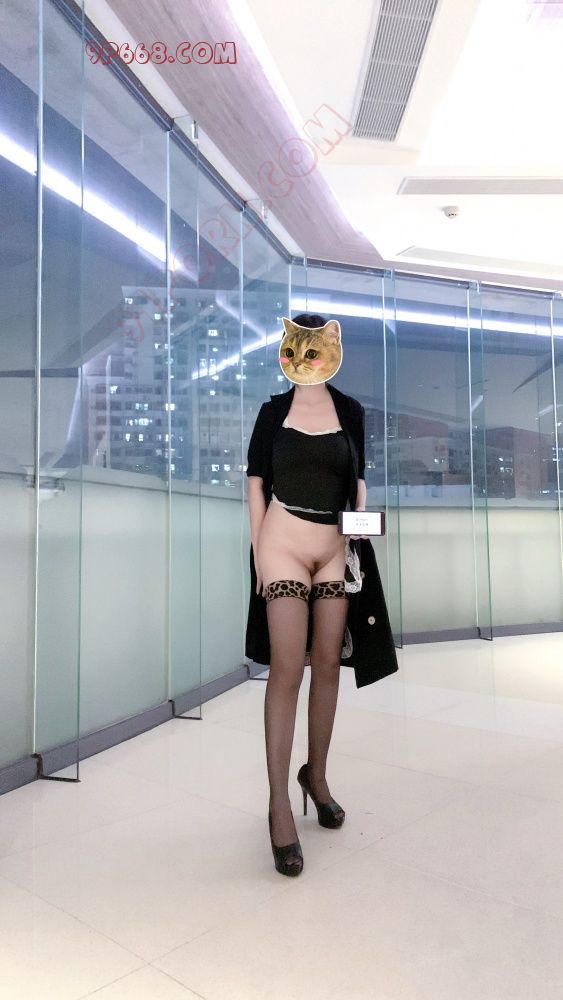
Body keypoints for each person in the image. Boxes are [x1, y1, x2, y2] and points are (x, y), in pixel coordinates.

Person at [246, 313, 368, 877]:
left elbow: (357, 482)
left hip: (332, 547)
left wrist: (360, 530)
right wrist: (258, 556)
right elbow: (255, 483)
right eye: (293, 350)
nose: (302, 360)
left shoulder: (351, 411)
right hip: (283, 541)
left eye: (312, 351)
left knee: (329, 666)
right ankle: (278, 805)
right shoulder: (272, 412)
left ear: (332, 349)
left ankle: (315, 777)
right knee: (287, 669)